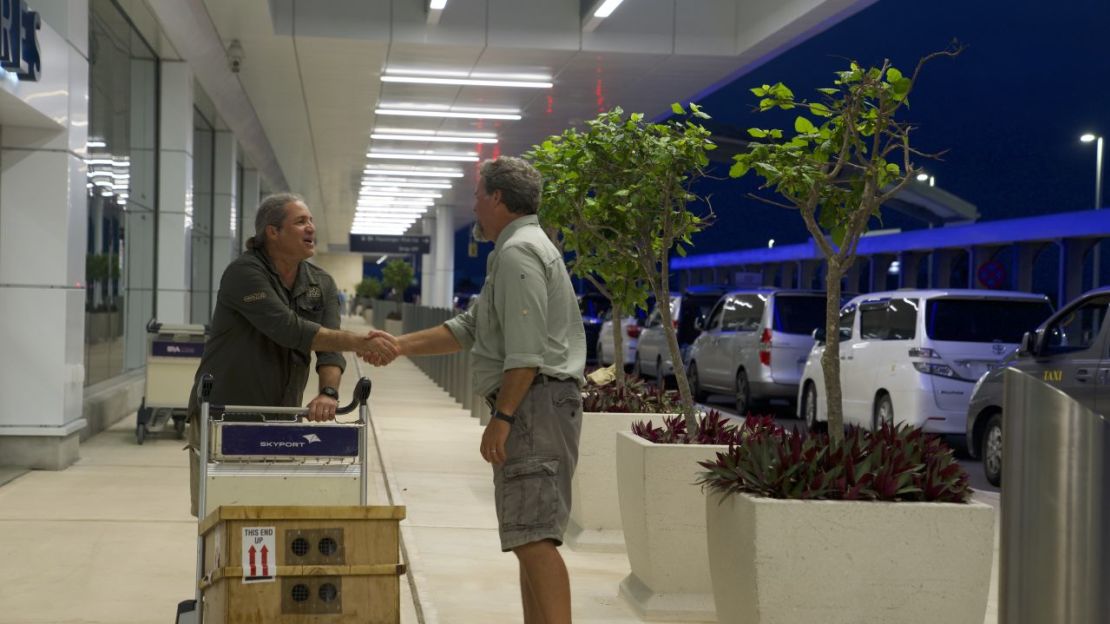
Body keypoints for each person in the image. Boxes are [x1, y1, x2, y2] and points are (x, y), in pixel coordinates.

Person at [365, 157, 586, 624]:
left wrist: (502, 419)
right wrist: (398, 345)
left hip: (534, 405)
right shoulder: (515, 249)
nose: (475, 205)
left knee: (535, 540)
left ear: (499, 199)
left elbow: (526, 353)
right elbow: (471, 327)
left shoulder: (518, 251)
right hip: (539, 403)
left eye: (477, 195)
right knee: (529, 535)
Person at [186, 192, 398, 517]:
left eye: (311, 220)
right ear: (273, 232)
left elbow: (328, 350)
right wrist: (361, 341)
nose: (311, 227)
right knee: (222, 514)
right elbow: (289, 329)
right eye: (300, 221)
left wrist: (328, 392)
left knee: (276, 511)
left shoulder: (321, 284)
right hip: (226, 415)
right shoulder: (244, 273)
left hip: (282, 418)